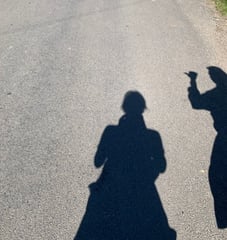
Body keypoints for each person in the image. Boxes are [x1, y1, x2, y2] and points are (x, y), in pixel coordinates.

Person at [75, 91, 176, 239]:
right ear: (143, 109)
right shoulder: (152, 137)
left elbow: (97, 162)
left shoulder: (111, 132)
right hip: (143, 193)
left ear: (124, 108)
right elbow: (162, 166)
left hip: (111, 191)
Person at [186, 67, 227, 229]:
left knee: (217, 174)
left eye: (211, 75)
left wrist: (193, 81)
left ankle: (224, 219)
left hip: (225, 137)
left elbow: (196, 103)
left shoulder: (216, 94)